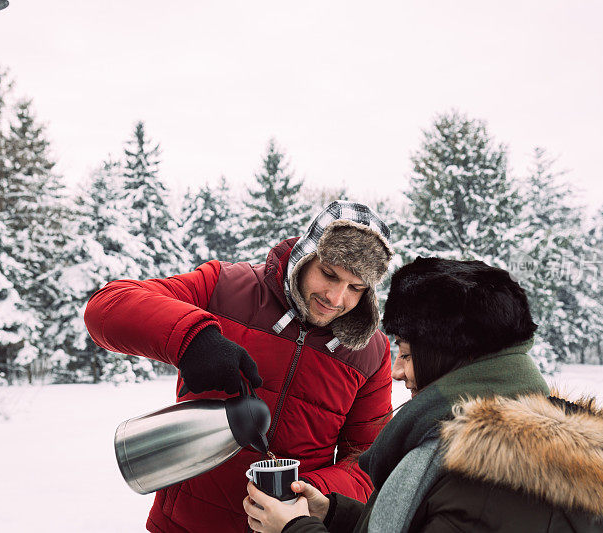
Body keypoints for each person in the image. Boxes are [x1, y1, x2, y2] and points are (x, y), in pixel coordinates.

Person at [243, 257, 603, 533]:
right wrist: (332, 515)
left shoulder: (491, 480)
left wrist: (294, 530)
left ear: (451, 360)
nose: (398, 371)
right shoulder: (505, 453)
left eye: (407, 355)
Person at [84, 201, 395, 532]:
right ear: (306, 255)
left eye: (356, 288)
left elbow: (370, 462)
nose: (335, 298)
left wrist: (312, 493)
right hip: (186, 524)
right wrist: (193, 338)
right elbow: (107, 307)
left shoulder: (370, 353)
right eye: (329, 274)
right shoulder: (225, 287)